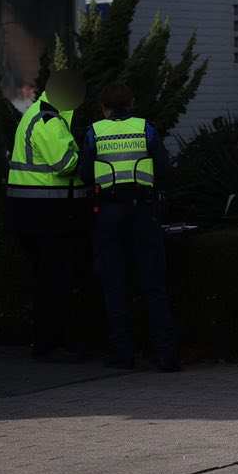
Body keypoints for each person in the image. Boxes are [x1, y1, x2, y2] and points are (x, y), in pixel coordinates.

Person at [83, 82, 179, 372]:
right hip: (143, 211)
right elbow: (163, 168)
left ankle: (123, 354)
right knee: (154, 285)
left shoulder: (94, 132)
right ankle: (166, 355)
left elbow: (85, 173)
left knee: (114, 284)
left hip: (109, 213)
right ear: (131, 103)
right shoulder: (145, 128)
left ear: (104, 107)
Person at [6, 68, 90, 362]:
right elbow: (65, 164)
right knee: (57, 279)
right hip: (49, 214)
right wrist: (87, 156)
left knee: (45, 279)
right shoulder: (48, 121)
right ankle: (52, 342)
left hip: (31, 212)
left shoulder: (34, 114)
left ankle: (46, 340)